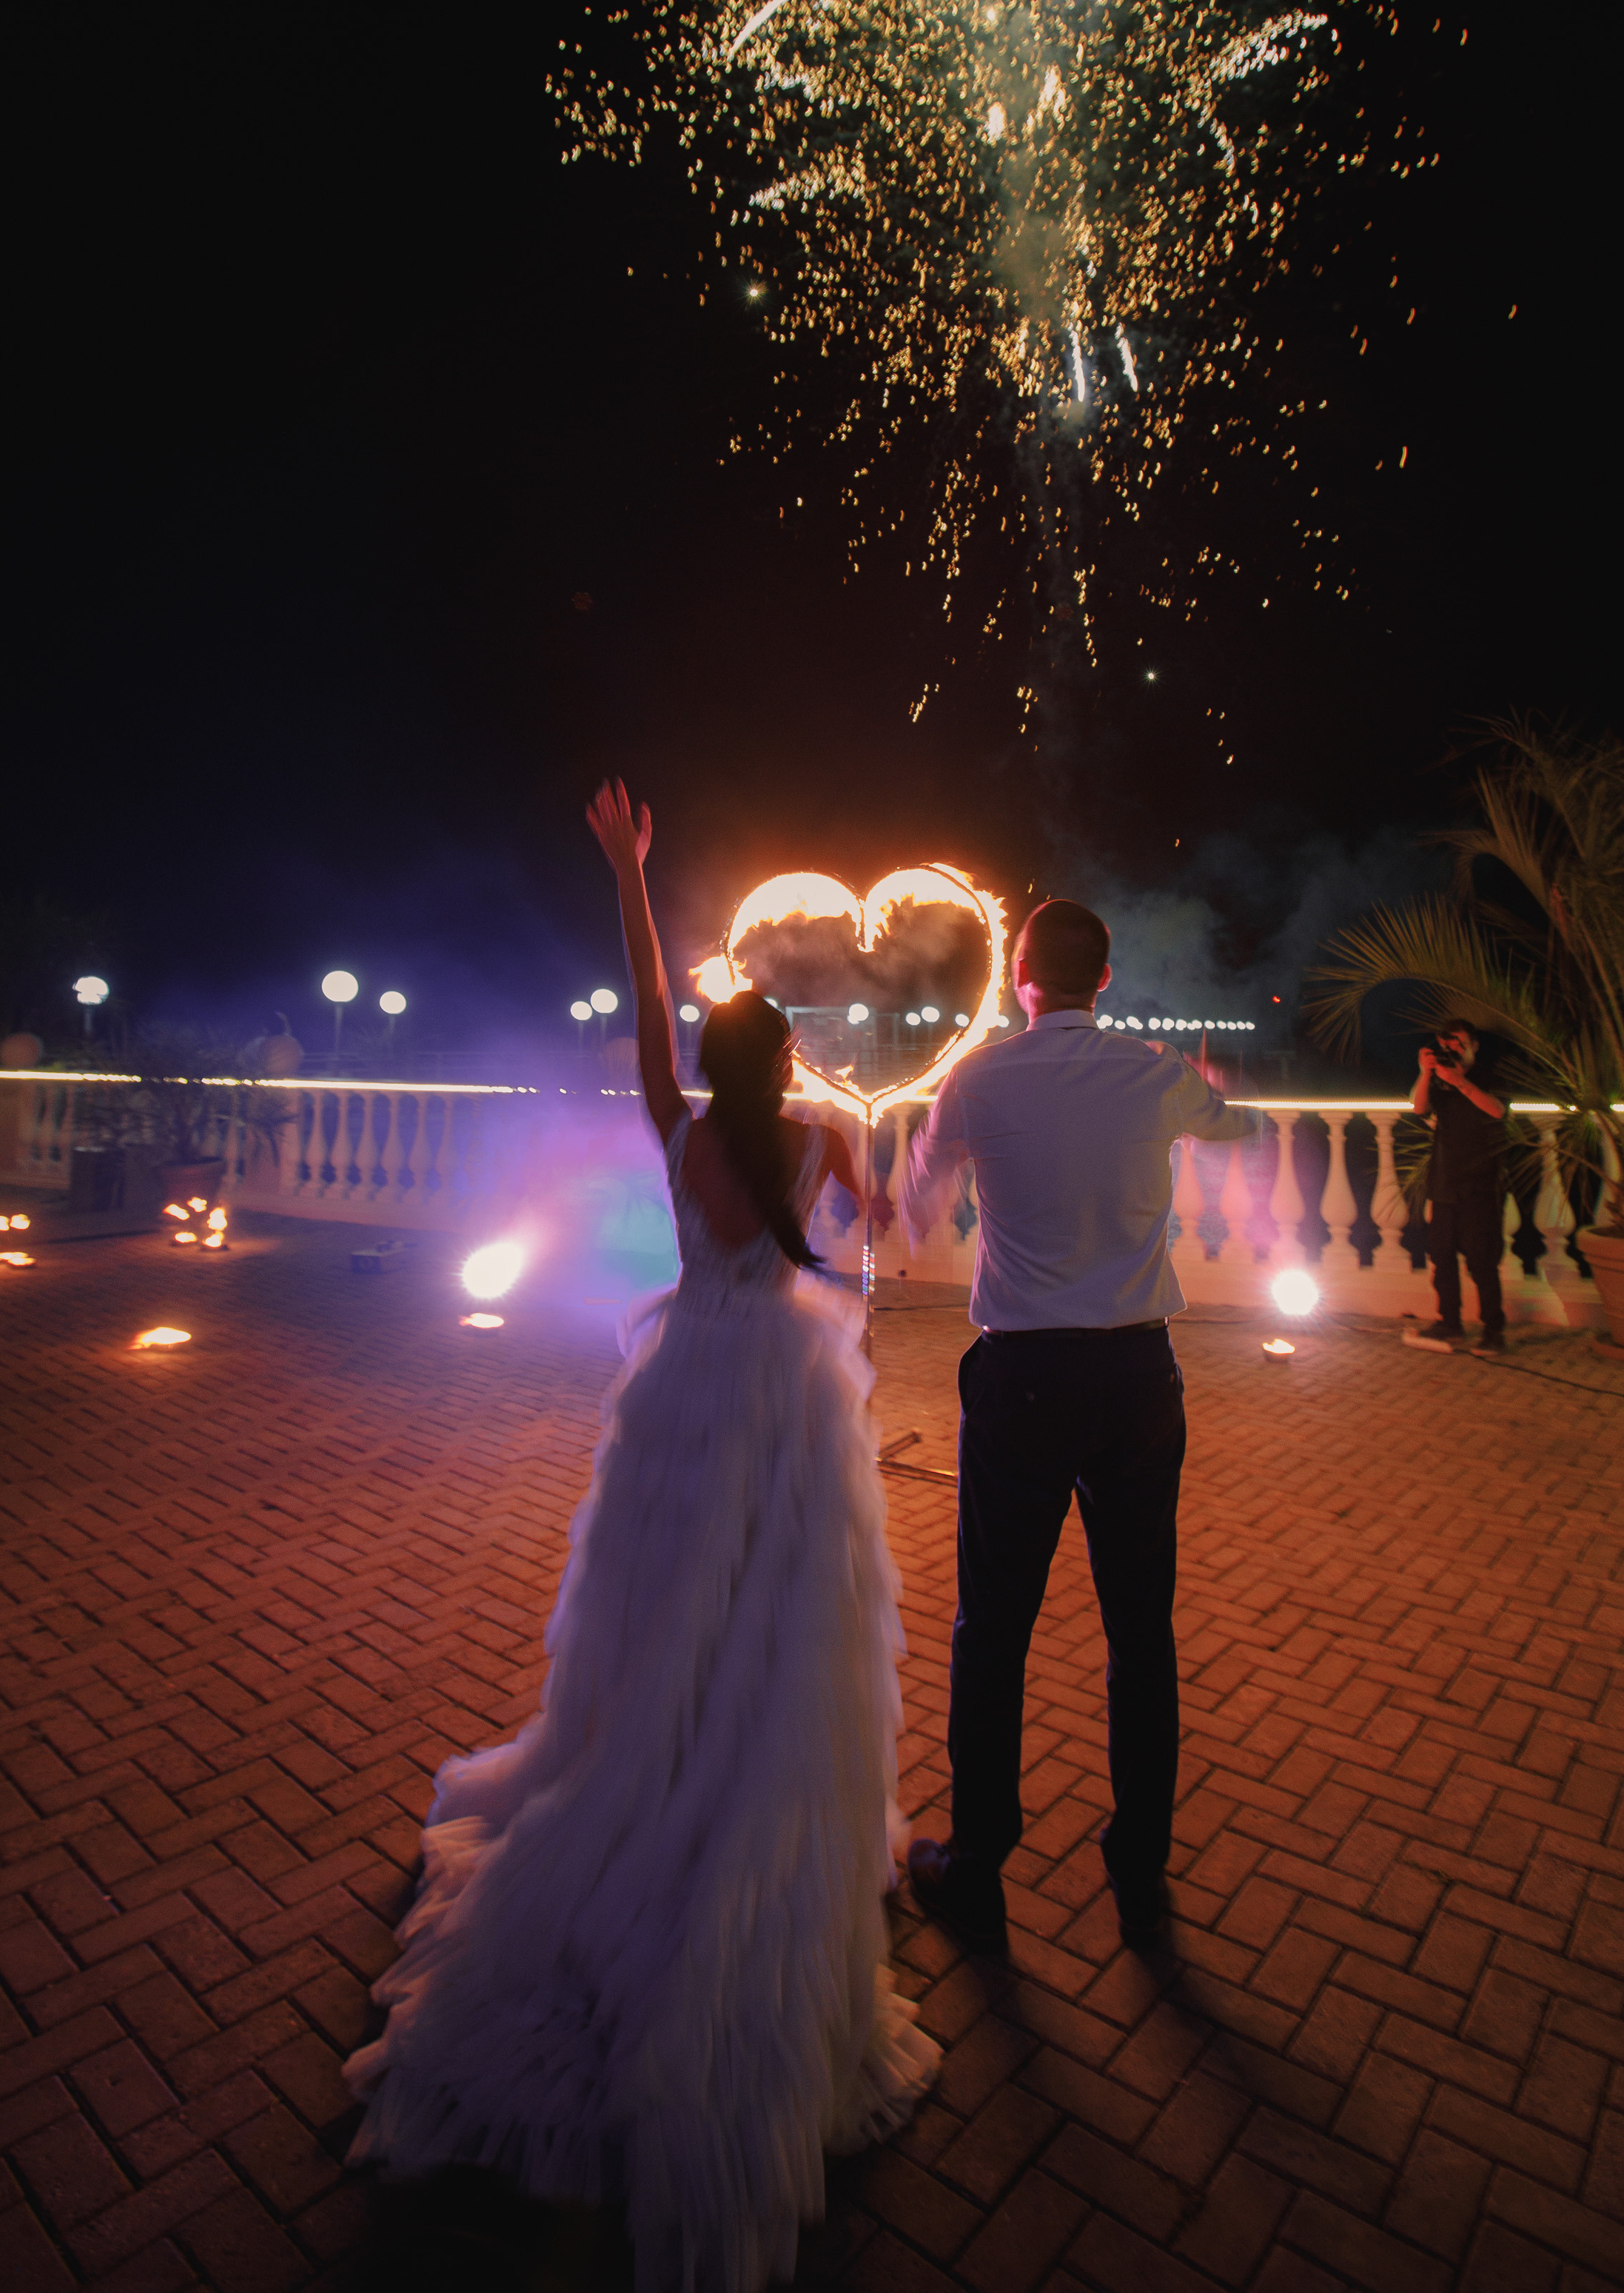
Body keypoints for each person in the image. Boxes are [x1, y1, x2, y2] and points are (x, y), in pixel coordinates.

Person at [346, 782, 936, 2290]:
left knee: (664, 1615)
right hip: (786, 1408)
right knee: (777, 1626)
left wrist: (629, 873)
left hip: (685, 1398)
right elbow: (885, 1230)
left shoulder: (681, 1134)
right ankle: (743, 1803)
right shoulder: (813, 1144)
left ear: (705, 1064)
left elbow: (645, 1018)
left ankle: (649, 1778)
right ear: (789, 1059)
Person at [898, 897, 1258, 1950]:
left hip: (1024, 1381)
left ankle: (979, 1858)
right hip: (1140, 1376)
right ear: (1103, 978)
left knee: (993, 1628)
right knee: (1140, 1628)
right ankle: (1139, 1856)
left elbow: (919, 1205)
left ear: (1021, 977)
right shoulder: (1154, 1075)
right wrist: (1205, 1099)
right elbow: (1237, 1128)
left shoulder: (979, 1078)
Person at [1411, 1018, 1510, 1348]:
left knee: (1482, 1261)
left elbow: (1497, 1111)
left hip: (1480, 1182)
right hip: (1444, 1181)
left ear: (1474, 1045)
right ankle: (1449, 1322)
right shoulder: (1440, 1077)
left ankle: (1493, 1330)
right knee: (1441, 1256)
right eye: (1445, 1043)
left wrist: (1460, 1082)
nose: (1451, 1049)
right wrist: (1427, 1073)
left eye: (1458, 1042)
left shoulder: (1489, 1075)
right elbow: (1419, 1107)